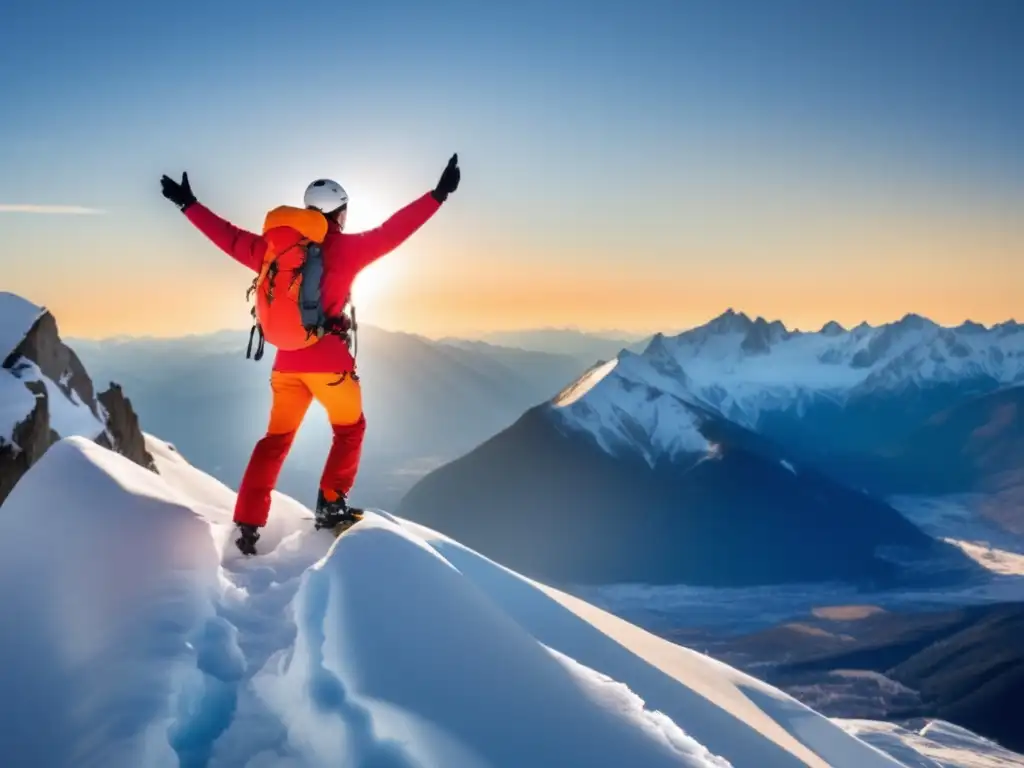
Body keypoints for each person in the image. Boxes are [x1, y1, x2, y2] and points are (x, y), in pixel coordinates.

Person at [159, 154, 461, 554]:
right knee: (350, 429)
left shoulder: (273, 250)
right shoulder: (346, 249)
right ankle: (332, 505)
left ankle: (248, 524)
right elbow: (395, 231)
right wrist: (437, 195)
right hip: (330, 364)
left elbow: (227, 237)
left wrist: (188, 204)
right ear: (339, 213)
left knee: (275, 439)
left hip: (286, 364)